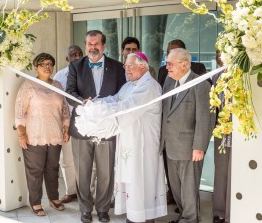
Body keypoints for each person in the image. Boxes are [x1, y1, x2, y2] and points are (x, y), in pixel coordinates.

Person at [94, 52, 167, 223]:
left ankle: (145, 216)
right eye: (125, 66)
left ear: (143, 66)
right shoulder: (129, 85)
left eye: (130, 66)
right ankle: (134, 214)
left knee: (142, 178)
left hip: (144, 144)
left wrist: (103, 112)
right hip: (129, 141)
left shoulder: (149, 85)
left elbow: (129, 107)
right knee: (131, 178)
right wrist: (97, 103)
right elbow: (115, 99)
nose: (126, 69)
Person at [66, 30, 126, 223]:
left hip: (107, 128)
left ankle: (102, 209)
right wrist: (82, 102)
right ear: (85, 45)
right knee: (82, 172)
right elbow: (70, 92)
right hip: (82, 128)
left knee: (106, 172)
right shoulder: (75, 66)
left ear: (104, 45)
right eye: (89, 44)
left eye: (96, 44)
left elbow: (123, 93)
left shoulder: (118, 67)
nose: (93, 48)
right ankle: (85, 209)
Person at [161, 48, 215, 223]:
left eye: (170, 64)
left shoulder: (201, 84)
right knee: (176, 188)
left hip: (189, 147)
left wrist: (199, 146)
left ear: (184, 64)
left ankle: (191, 219)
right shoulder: (169, 82)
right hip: (170, 146)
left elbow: (205, 118)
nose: (166, 67)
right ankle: (184, 216)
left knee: (189, 189)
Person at [15, 53, 70, 216]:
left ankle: (54, 198)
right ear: (36, 67)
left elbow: (65, 109)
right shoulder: (28, 85)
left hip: (55, 135)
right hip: (34, 135)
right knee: (35, 171)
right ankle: (36, 202)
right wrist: (21, 134)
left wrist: (66, 128)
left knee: (53, 169)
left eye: (50, 64)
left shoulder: (58, 85)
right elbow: (19, 111)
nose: (47, 67)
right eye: (43, 64)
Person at [54, 45, 83, 203]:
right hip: (66, 122)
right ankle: (71, 191)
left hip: (85, 122)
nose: (77, 57)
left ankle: (87, 192)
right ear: (67, 59)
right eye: (73, 55)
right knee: (66, 159)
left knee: (87, 160)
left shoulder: (89, 73)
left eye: (79, 54)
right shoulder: (59, 76)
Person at [212, 50, 231, 223]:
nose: (220, 57)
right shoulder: (215, 76)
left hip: (241, 131)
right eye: (218, 54)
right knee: (221, 171)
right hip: (221, 130)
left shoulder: (241, 75)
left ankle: (233, 210)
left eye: (222, 53)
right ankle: (219, 212)